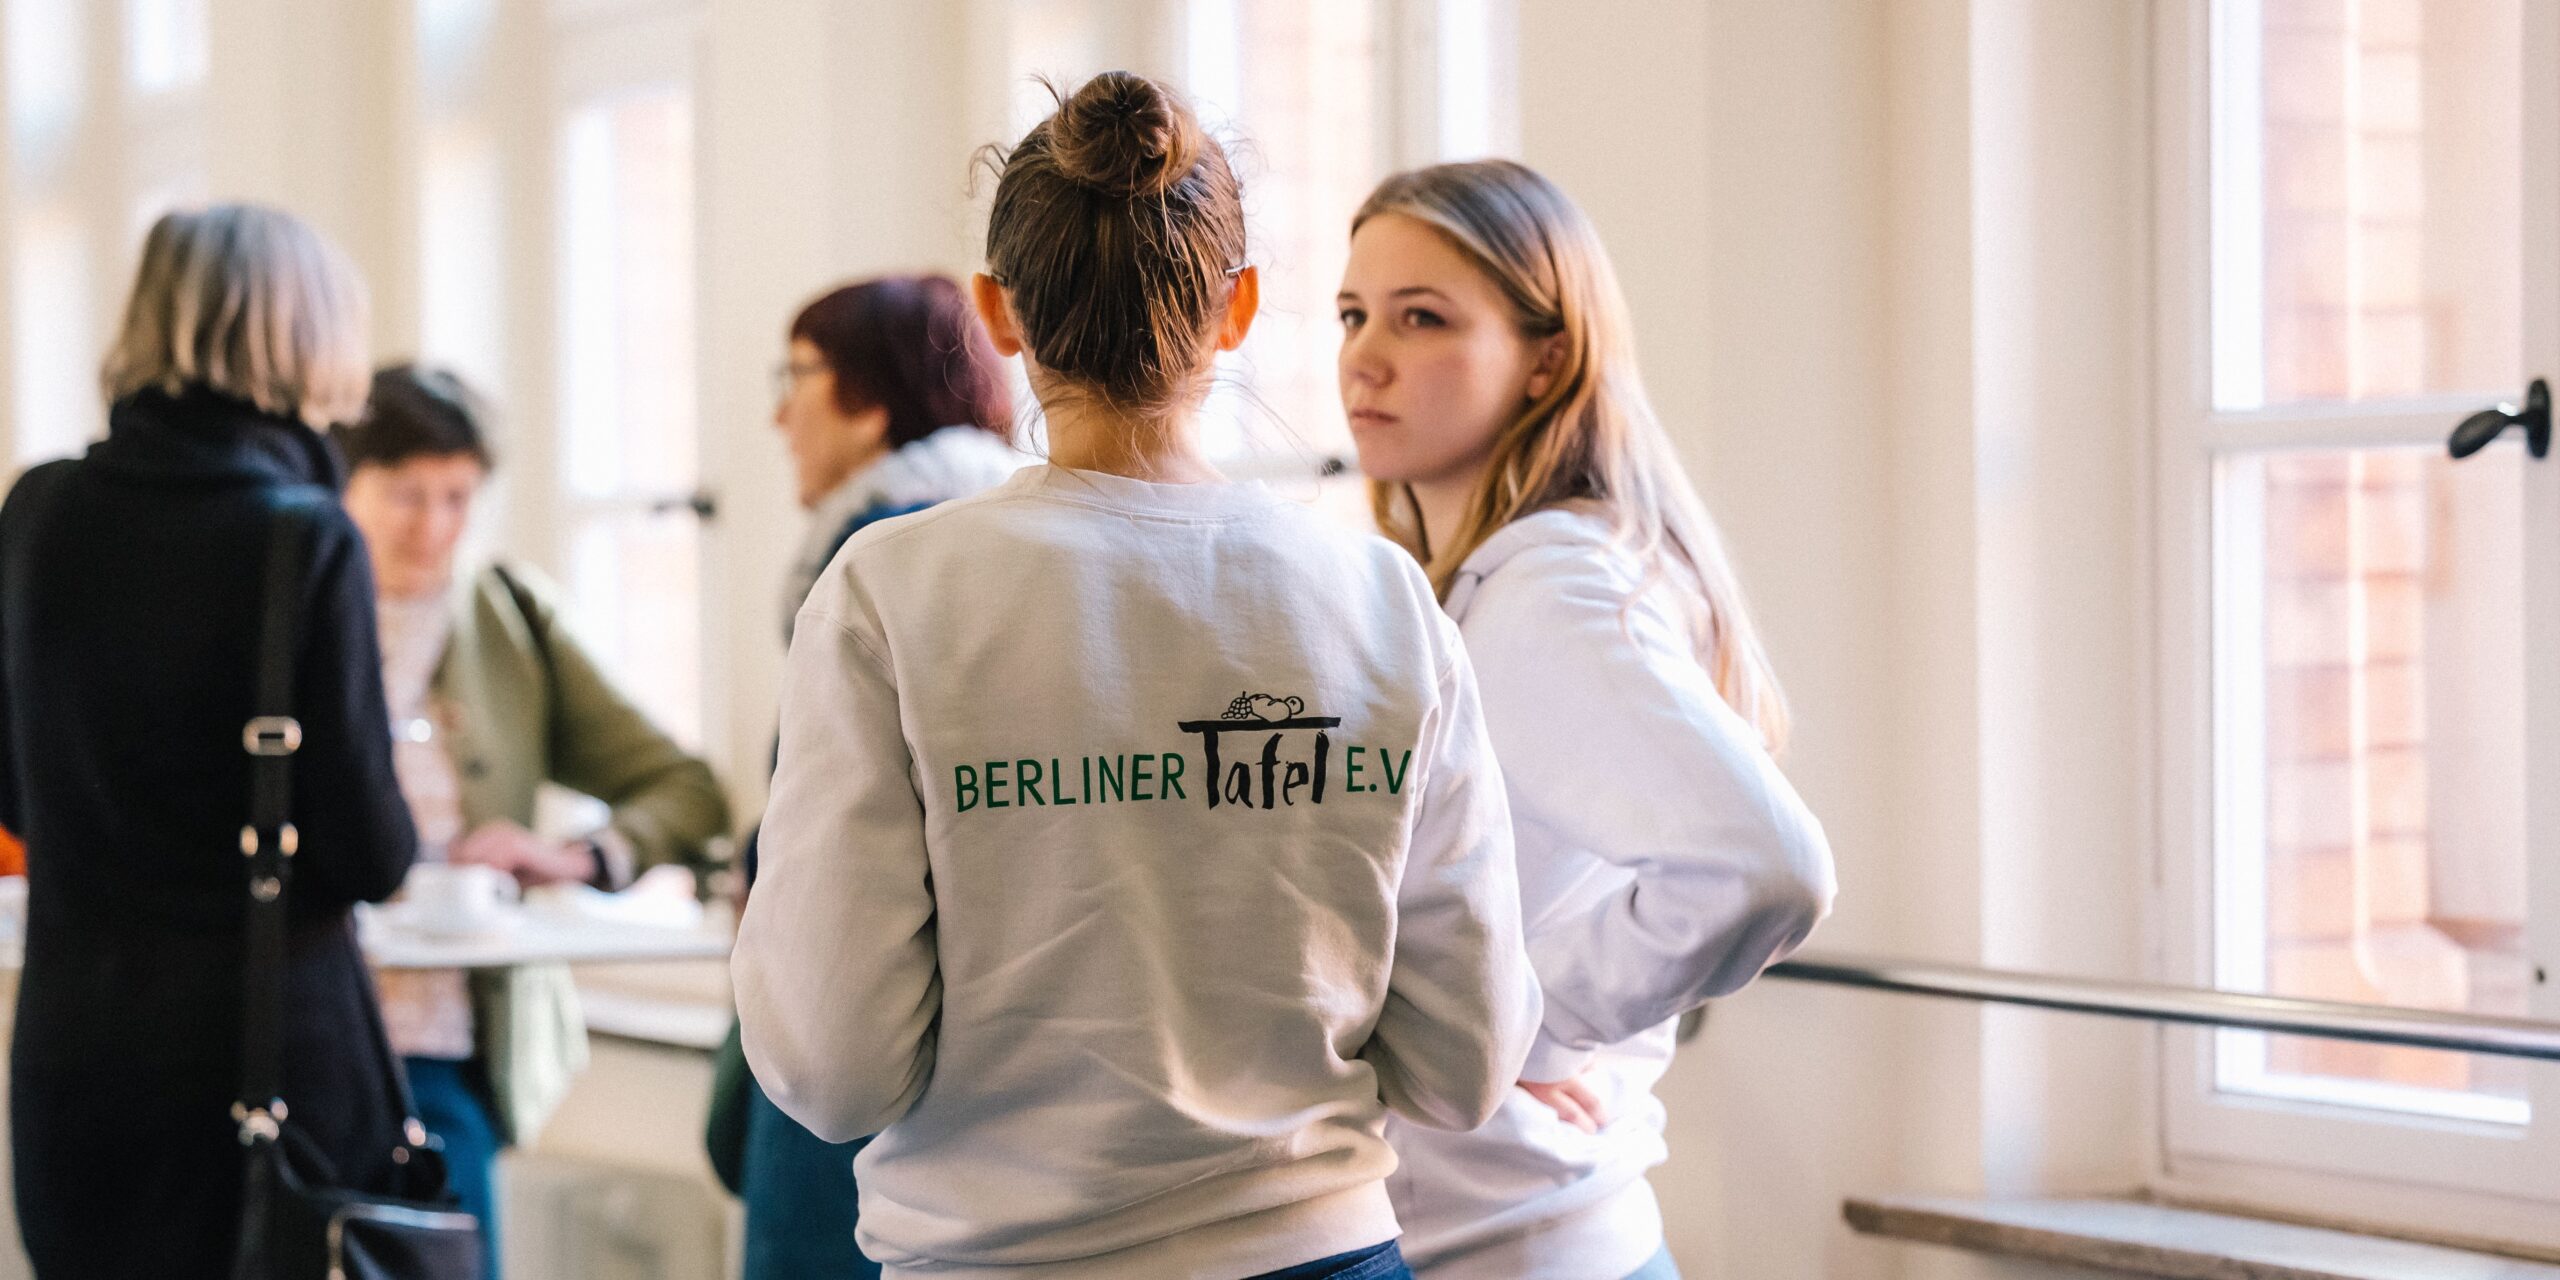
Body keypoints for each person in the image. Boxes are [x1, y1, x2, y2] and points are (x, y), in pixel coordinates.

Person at [732, 71, 1541, 1280]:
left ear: (997, 314)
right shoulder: (1380, 600)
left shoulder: (891, 593)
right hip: (1325, 1253)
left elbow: (832, 1065)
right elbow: (1465, 1059)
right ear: (1239, 307)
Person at [1335, 158, 1838, 1280]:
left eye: (1422, 319)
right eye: (1353, 312)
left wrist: (1513, 1023)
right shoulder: (1511, 580)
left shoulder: (1549, 591)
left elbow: (1766, 865)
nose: (1364, 356)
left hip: (1512, 1241)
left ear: (1546, 355)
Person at [0, 205, 420, 1277]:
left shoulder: (37, 510)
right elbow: (371, 851)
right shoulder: (302, 536)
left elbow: (14, 793)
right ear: (304, 336)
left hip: (74, 1064)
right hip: (263, 1073)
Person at [334, 363, 734, 1278]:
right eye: (406, 494)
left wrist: (576, 857)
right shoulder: (295, 617)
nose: (433, 526)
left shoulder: (507, 620)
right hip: (311, 1041)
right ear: (344, 483)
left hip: (450, 1054)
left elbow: (686, 789)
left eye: (457, 496)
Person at [729, 274, 1023, 1280]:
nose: (780, 413)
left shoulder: (877, 554)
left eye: (798, 376)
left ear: (867, 392)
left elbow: (826, 843)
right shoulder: (1007, 532)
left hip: (865, 1033)